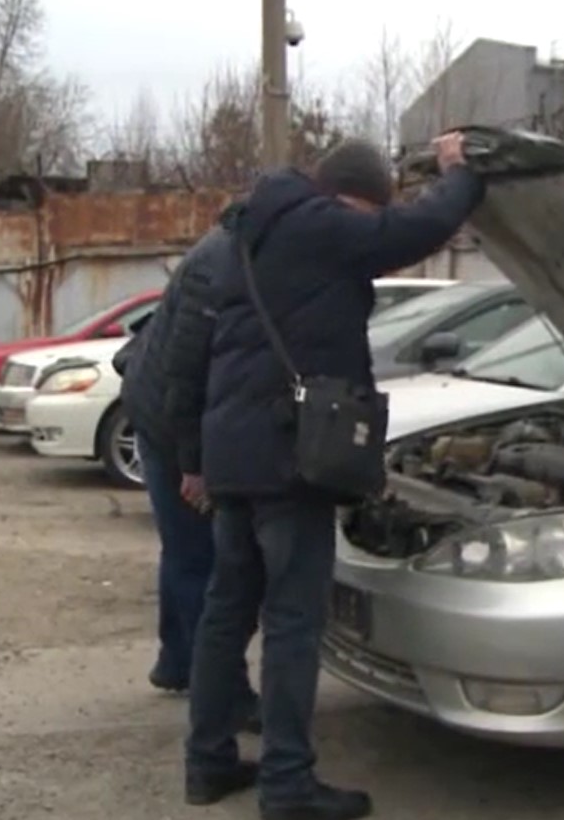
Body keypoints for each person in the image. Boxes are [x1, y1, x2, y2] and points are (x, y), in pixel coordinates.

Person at [183, 133, 483, 818]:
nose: (360, 225)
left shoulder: (250, 233)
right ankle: (287, 787)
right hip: (289, 461)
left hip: (235, 455)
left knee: (226, 613)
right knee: (292, 623)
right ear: (347, 196)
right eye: (363, 209)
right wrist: (459, 174)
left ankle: (207, 763)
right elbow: (419, 227)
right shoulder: (315, 225)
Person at [115, 218, 260, 731]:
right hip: (166, 420)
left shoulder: (226, 249)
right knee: (203, 558)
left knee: (183, 550)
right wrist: (192, 464)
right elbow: (185, 376)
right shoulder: (223, 265)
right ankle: (224, 692)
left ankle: (178, 663)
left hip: (158, 409)